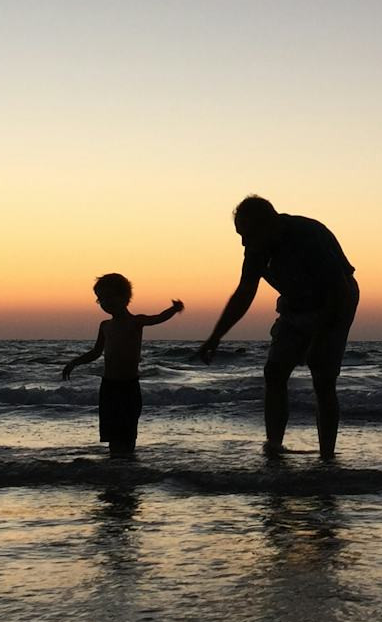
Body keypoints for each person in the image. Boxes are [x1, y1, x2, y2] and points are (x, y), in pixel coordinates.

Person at [196, 196, 358, 459]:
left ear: (269, 224)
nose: (244, 243)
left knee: (323, 378)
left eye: (247, 235)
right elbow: (244, 293)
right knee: (274, 372)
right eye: (240, 236)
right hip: (294, 304)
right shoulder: (256, 249)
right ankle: (274, 447)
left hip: (336, 300)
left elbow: (338, 291)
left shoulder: (308, 235)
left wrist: (319, 339)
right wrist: (215, 337)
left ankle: (327, 456)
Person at [63, 274, 183, 458]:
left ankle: (127, 465)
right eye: (101, 299)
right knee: (112, 433)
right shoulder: (105, 326)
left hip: (129, 386)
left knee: (128, 431)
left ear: (124, 298)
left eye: (109, 297)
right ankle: (116, 467)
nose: (105, 302)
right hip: (108, 386)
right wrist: (74, 362)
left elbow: (158, 318)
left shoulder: (136, 322)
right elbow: (96, 352)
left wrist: (174, 309)